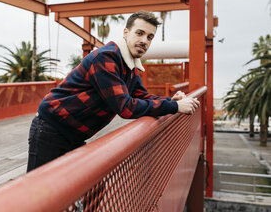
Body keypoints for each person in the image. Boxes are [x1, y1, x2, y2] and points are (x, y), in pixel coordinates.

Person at [26, 11, 200, 172]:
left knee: (92, 187)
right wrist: (175, 107)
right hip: (51, 128)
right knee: (36, 194)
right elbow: (126, 108)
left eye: (150, 37)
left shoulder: (129, 66)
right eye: (139, 33)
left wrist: (171, 102)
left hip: (74, 134)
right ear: (126, 33)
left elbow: (141, 95)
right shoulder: (106, 57)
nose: (145, 41)